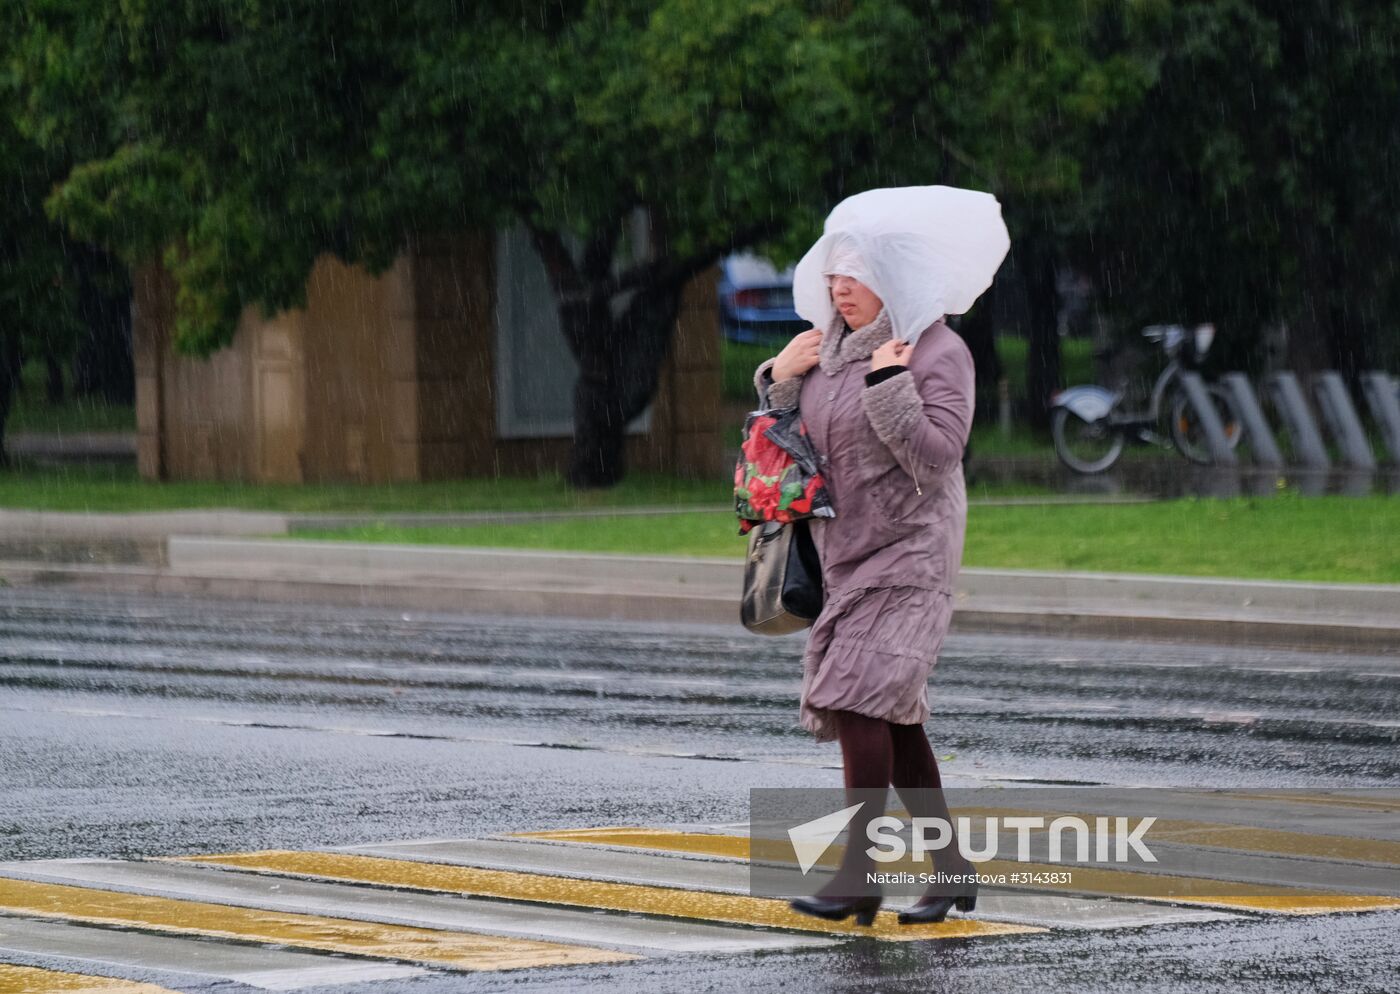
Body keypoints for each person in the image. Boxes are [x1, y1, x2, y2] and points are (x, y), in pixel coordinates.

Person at [752, 231, 980, 927]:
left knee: (855, 698)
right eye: (833, 276)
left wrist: (889, 382)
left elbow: (937, 455)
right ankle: (949, 871)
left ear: (897, 278)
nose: (839, 287)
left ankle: (860, 872)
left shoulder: (939, 350)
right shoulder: (824, 349)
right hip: (844, 555)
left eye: (855, 274)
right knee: (891, 717)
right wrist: (778, 382)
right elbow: (779, 458)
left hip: (911, 555)